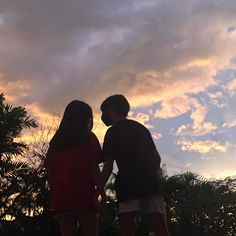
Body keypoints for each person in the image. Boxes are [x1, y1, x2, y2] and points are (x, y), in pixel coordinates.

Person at [97, 94, 170, 236]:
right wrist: (150, 174)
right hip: (150, 182)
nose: (103, 115)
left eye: (103, 111)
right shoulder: (141, 128)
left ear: (110, 110)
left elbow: (108, 165)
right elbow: (156, 158)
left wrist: (99, 188)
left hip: (127, 183)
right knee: (160, 223)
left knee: (126, 222)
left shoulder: (112, 132)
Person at [44, 100, 101, 236]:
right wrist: (100, 190)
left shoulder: (56, 141)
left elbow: (50, 172)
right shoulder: (89, 138)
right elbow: (94, 166)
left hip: (61, 196)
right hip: (84, 194)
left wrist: (53, 194)